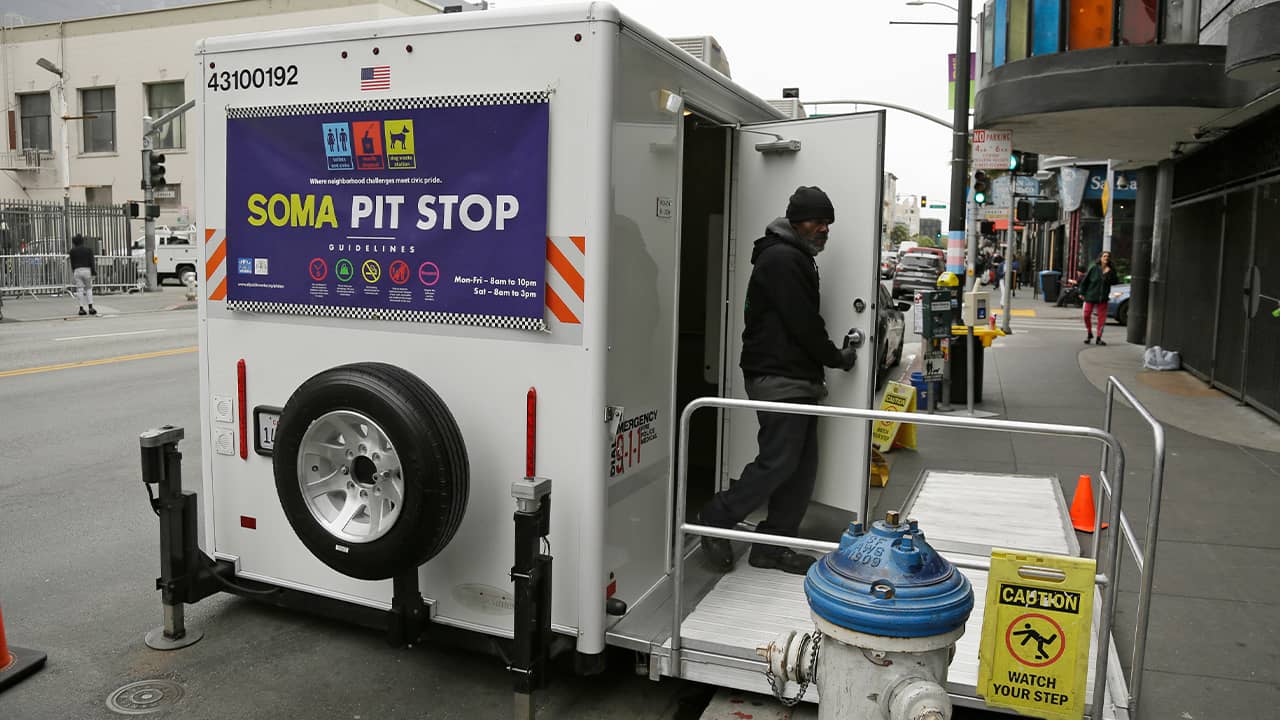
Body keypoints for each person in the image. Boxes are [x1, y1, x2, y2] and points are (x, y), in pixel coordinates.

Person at [698, 186, 857, 576]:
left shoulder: (794, 256)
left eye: (827, 223)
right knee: (778, 462)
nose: (824, 229)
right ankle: (715, 518)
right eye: (818, 221)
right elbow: (802, 322)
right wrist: (837, 357)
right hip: (779, 376)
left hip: (794, 378)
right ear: (796, 221)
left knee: (800, 468)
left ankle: (771, 546)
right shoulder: (784, 259)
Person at [1079, 250, 1118, 345]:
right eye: (1104, 256)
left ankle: (1099, 337)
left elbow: (1115, 281)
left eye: (1108, 257)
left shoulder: (1111, 270)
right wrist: (1082, 292)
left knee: (1102, 319)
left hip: (1103, 298)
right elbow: (1085, 281)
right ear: (1100, 258)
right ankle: (1089, 333)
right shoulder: (1094, 269)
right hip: (1091, 295)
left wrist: (1109, 274)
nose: (1106, 258)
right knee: (1086, 315)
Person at [68, 234, 97, 316]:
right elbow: (92, 262)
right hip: (87, 270)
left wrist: (74, 272)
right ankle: (90, 307)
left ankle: (81, 309)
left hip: (77, 270)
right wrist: (93, 272)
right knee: (88, 289)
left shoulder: (72, 251)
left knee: (80, 290)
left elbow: (72, 264)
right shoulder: (88, 250)